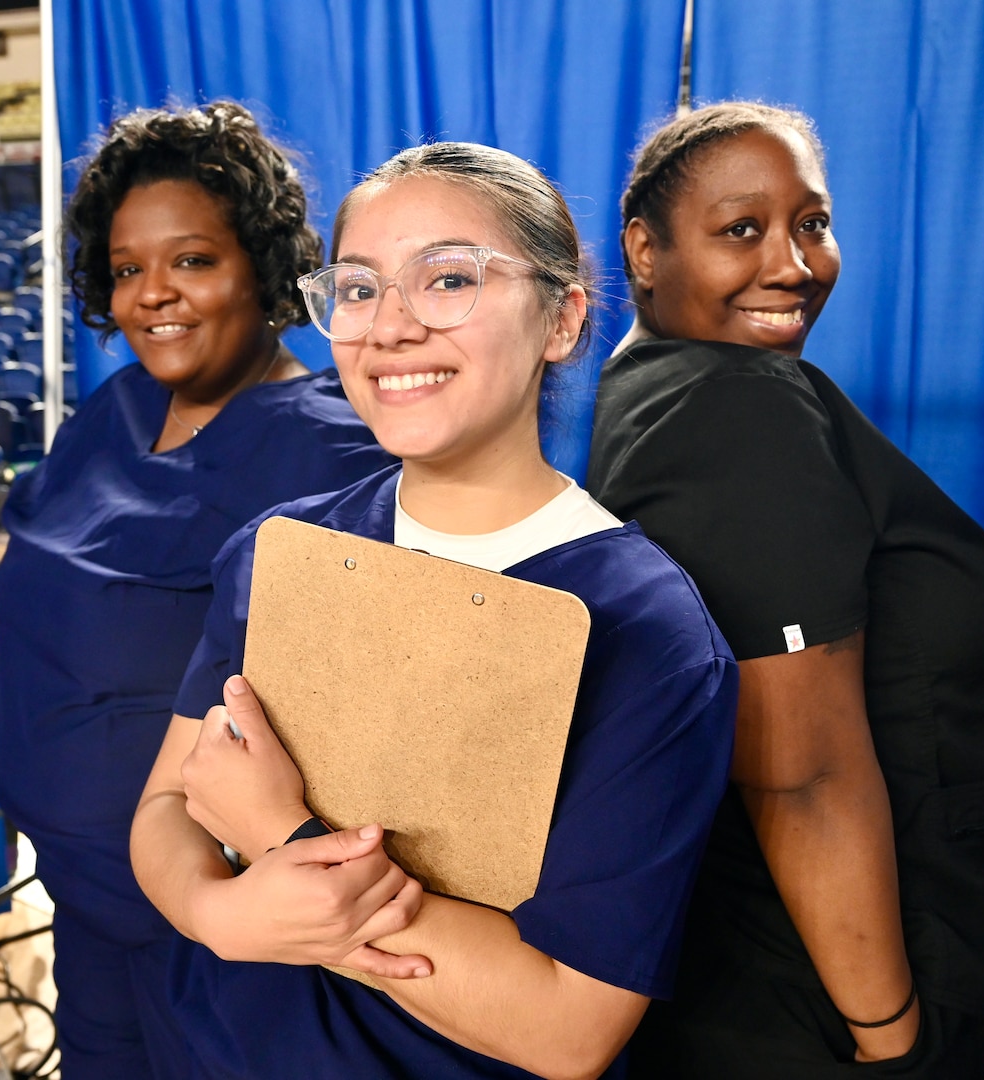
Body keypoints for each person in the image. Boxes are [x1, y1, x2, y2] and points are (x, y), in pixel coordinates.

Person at [128, 142, 739, 1079]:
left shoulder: (644, 630)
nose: (390, 327)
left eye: (448, 279)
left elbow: (567, 1029)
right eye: (361, 288)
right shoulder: (282, 549)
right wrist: (217, 913)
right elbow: (167, 803)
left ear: (563, 318)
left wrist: (279, 842)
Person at [0, 102, 392, 1077]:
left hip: (219, 927)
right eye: (129, 269)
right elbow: (42, 575)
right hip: (84, 895)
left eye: (193, 261)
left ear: (260, 263)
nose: (152, 295)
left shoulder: (333, 446)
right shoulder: (116, 409)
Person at [586, 102, 984, 1077]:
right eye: (741, 229)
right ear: (644, 252)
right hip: (830, 990)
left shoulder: (634, 388)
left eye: (813, 224)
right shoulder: (741, 407)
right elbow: (804, 777)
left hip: (740, 948)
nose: (792, 264)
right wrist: (893, 1035)